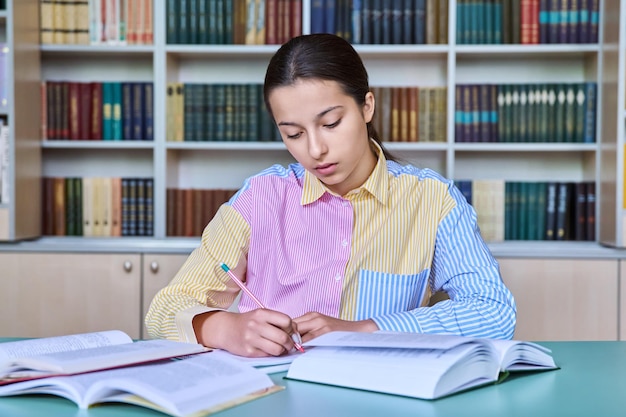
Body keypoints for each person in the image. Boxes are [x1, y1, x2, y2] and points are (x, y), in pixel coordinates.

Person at [145, 33, 516, 358]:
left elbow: (493, 311)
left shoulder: (433, 200)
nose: (316, 149)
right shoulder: (261, 197)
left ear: (366, 107)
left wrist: (366, 329)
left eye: (331, 123)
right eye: (293, 134)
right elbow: (164, 309)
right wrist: (225, 328)